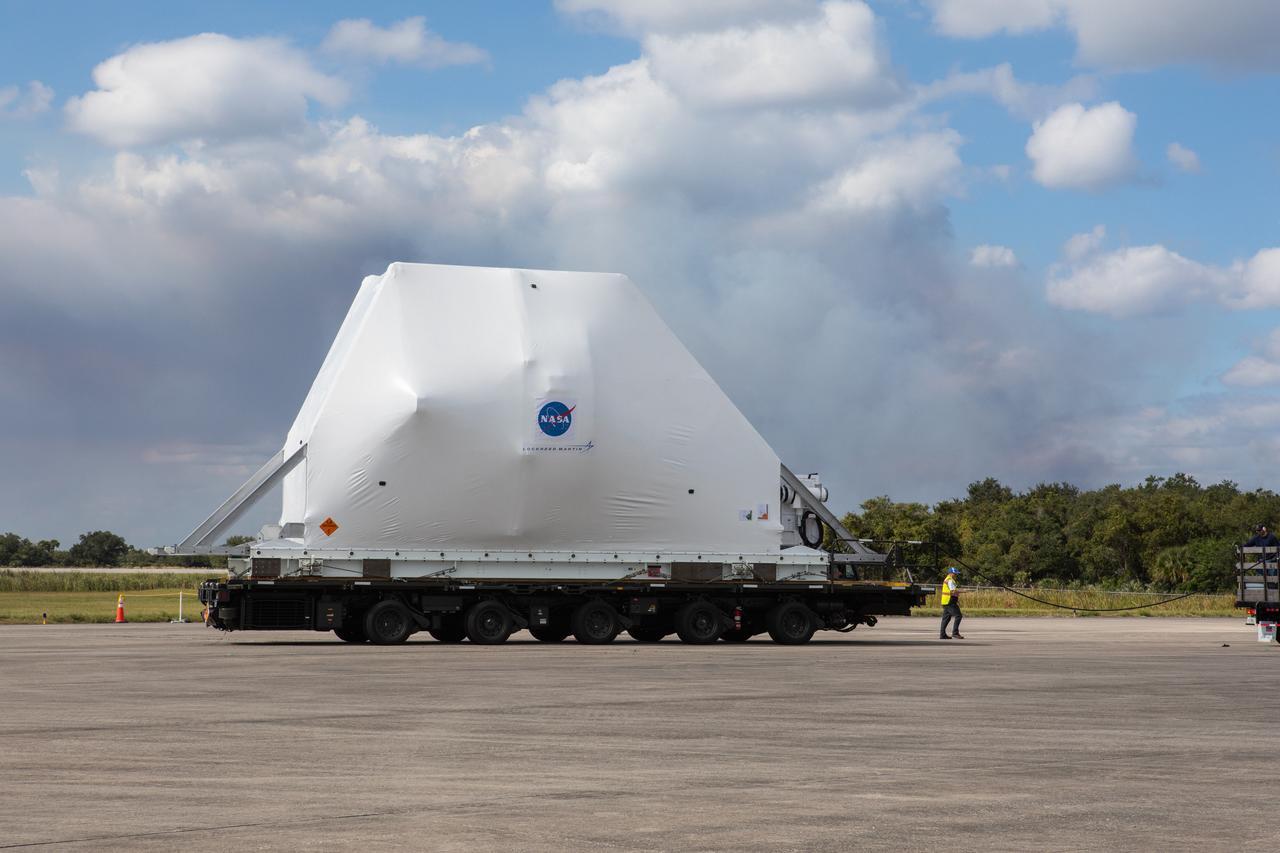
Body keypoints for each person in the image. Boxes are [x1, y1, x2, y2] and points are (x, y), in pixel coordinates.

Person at [939, 566, 964, 640]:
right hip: (950, 601)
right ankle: (955, 633)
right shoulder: (950, 580)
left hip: (946, 601)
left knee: (946, 618)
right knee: (958, 616)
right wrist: (963, 591)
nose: (956, 575)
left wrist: (957, 599)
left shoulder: (947, 579)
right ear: (950, 573)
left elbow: (950, 592)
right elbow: (953, 591)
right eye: (955, 573)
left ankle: (942, 635)